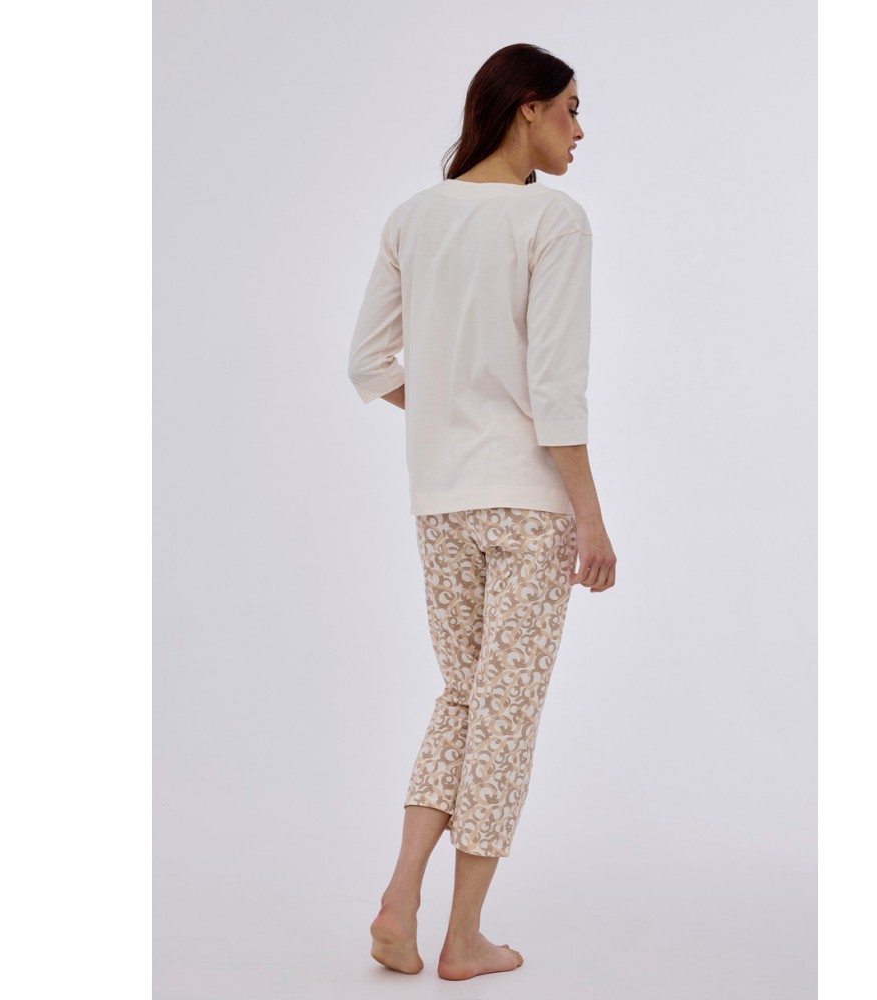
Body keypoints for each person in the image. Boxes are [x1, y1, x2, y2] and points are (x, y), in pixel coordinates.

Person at [346, 43, 617, 981]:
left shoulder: (413, 218)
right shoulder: (553, 219)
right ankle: (462, 938)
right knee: (504, 717)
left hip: (441, 500)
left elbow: (366, 365)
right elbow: (556, 389)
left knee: (464, 699)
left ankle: (400, 896)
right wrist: (591, 518)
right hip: (529, 504)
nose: (580, 130)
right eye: (571, 109)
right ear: (526, 108)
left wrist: (451, 409)